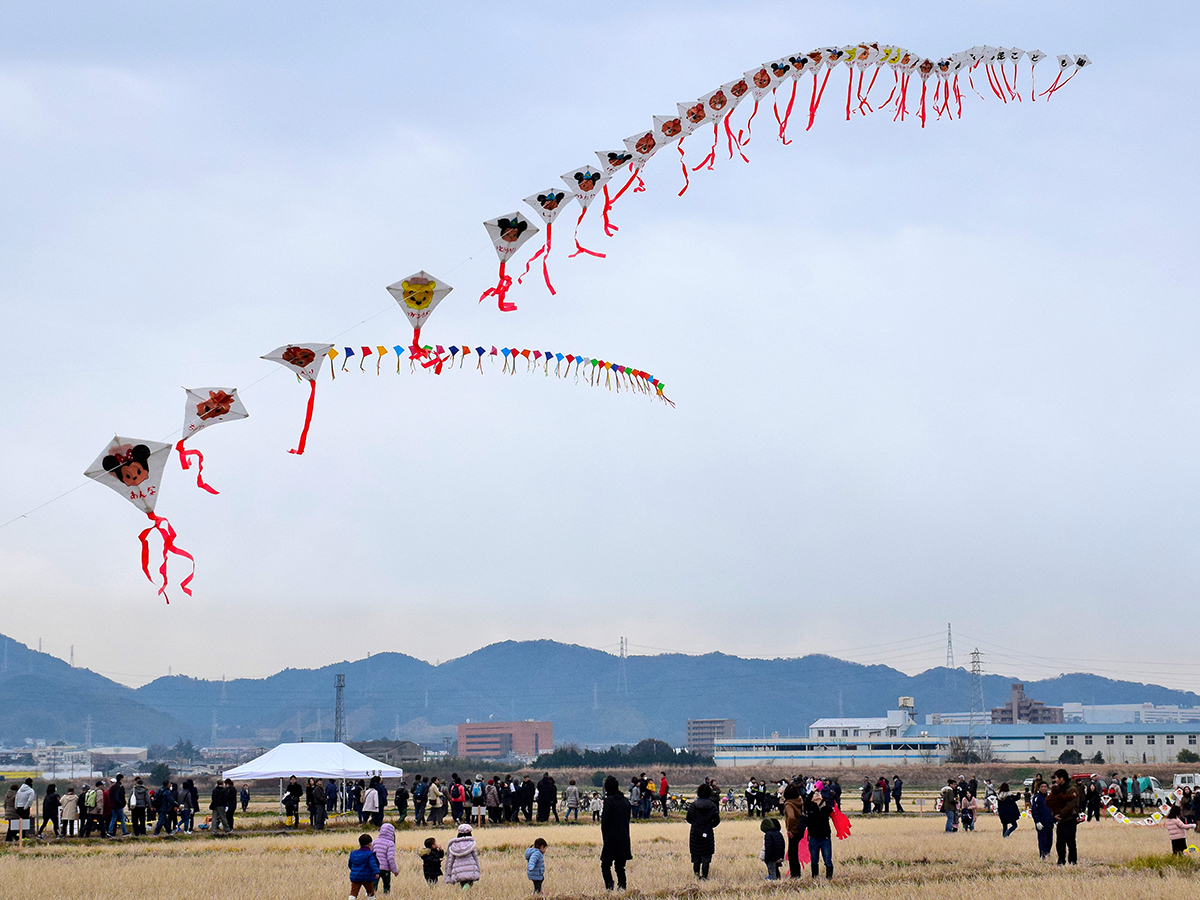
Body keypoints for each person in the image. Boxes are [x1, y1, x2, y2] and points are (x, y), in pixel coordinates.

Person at [600, 776, 632, 891]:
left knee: (605, 865)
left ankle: (609, 887)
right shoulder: (625, 801)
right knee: (620, 867)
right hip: (624, 837)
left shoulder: (609, 801)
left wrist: (605, 836)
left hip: (611, 838)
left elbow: (605, 822)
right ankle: (622, 888)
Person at [687, 782, 721, 879]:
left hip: (695, 834)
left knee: (696, 857)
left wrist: (695, 825)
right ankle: (705, 876)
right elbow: (717, 820)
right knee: (706, 857)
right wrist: (709, 826)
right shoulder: (712, 805)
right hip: (707, 833)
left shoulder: (693, 805)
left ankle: (696, 876)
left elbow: (689, 818)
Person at [1047, 769, 1079, 865]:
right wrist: (1054, 814)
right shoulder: (1058, 789)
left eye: (1056, 778)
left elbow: (1070, 805)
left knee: (1071, 843)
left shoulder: (1072, 789)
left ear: (1062, 778)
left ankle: (1073, 862)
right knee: (1059, 843)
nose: (1055, 780)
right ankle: (1061, 861)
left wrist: (1060, 815)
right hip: (1060, 821)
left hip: (1069, 819)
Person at [805, 785, 834, 880]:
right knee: (814, 860)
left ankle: (829, 877)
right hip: (814, 837)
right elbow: (806, 802)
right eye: (815, 794)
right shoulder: (810, 807)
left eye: (818, 793)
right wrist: (812, 792)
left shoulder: (827, 807)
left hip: (825, 837)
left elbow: (833, 806)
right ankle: (815, 877)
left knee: (828, 860)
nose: (816, 794)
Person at [445, 823, 480, 889]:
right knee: (469, 885)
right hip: (470, 869)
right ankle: (464, 894)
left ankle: (463, 895)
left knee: (463, 884)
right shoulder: (471, 844)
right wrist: (477, 869)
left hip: (458, 870)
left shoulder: (454, 845)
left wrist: (448, 874)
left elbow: (450, 861)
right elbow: (476, 857)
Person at [782, 783, 805, 878]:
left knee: (792, 854)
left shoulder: (789, 804)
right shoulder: (799, 801)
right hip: (801, 828)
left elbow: (791, 817)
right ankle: (797, 873)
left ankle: (795, 874)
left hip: (794, 830)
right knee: (795, 852)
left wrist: (789, 829)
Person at [349, 833, 381, 899]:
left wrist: (354, 870)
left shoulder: (354, 854)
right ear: (369, 844)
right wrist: (376, 872)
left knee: (354, 892)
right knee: (370, 892)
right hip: (366, 877)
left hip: (355, 877)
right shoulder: (369, 854)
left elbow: (350, 864)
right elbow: (373, 864)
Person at [373, 823, 399, 894]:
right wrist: (395, 870)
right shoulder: (390, 844)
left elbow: (371, 856)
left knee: (373, 887)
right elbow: (390, 858)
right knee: (386, 887)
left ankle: (370, 897)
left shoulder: (375, 842)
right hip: (385, 870)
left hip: (375, 868)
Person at [1030, 781, 1054, 859]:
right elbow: (1034, 811)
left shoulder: (1050, 797)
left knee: (1049, 839)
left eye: (1045, 786)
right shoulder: (1036, 798)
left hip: (1050, 822)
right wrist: (1037, 821)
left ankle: (1048, 852)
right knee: (1042, 839)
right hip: (1041, 822)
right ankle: (1042, 854)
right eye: (1042, 787)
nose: (1044, 788)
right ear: (1039, 788)